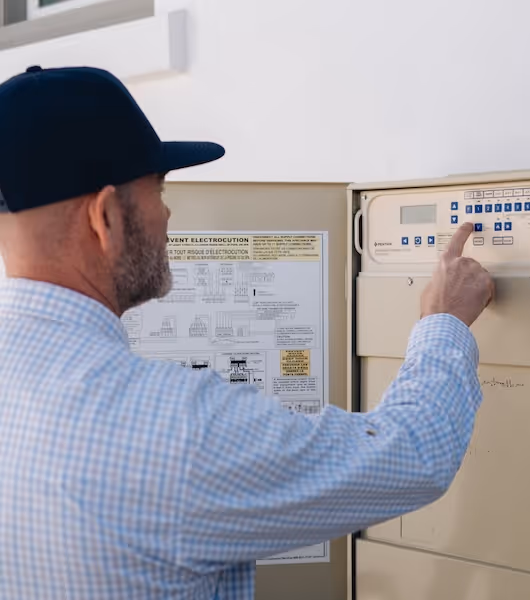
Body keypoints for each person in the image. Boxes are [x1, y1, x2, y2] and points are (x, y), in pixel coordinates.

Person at [0, 66, 494, 599]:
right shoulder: (175, 427)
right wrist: (443, 321)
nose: (167, 213)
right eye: (157, 190)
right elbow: (414, 454)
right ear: (105, 218)